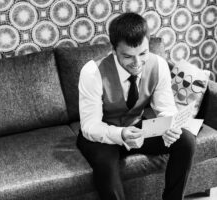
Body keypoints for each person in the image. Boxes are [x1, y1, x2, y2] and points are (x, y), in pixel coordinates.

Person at [76, 12, 196, 200]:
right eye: (128, 56)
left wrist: (169, 126)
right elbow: (90, 126)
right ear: (114, 50)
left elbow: (165, 107)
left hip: (137, 126)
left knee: (186, 140)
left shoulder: (159, 65)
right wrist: (120, 134)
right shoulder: (92, 72)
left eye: (143, 53)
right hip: (101, 135)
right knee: (105, 165)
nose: (137, 63)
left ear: (149, 44)